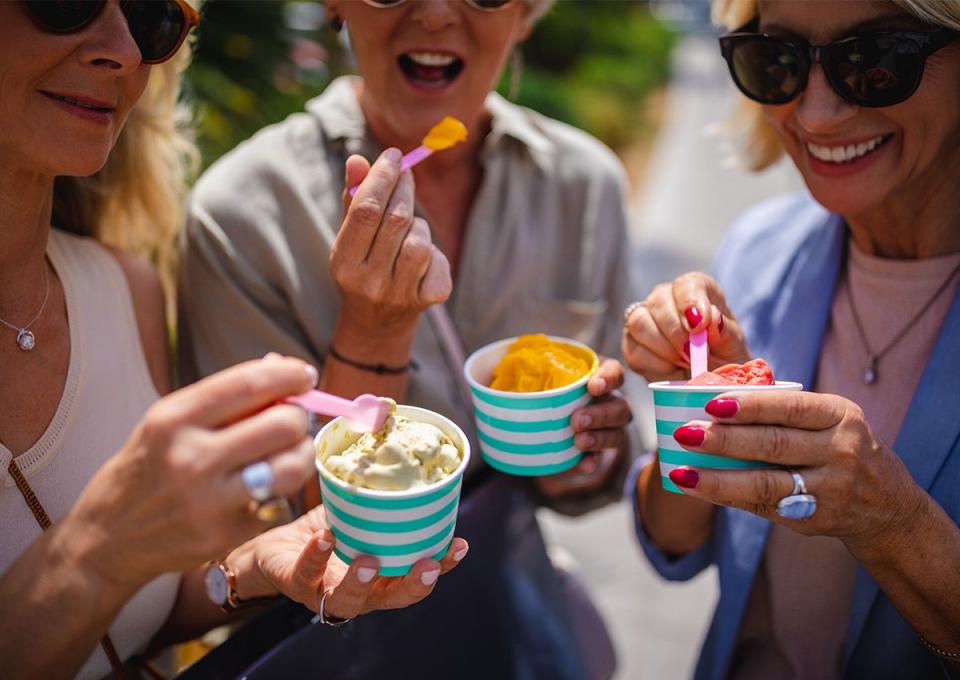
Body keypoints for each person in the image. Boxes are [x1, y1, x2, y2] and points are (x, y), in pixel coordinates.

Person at [0, 3, 464, 678]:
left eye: (150, 17)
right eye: (64, 1)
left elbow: (151, 608)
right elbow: (109, 560)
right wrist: (98, 547)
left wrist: (258, 570)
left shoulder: (126, 292)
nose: (124, 50)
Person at [178, 0, 636, 677]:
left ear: (529, 12)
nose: (435, 13)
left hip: (507, 622)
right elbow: (272, 532)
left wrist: (586, 448)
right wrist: (374, 326)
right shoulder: (242, 216)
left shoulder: (583, 187)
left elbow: (585, 479)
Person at [623, 1, 960, 678]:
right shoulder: (758, 249)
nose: (815, 115)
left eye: (875, 60)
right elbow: (675, 541)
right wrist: (696, 418)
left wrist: (896, 525)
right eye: (775, 59)